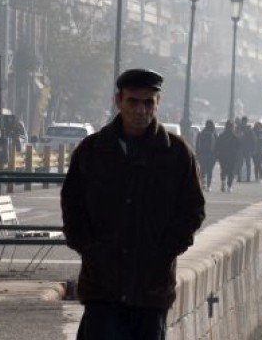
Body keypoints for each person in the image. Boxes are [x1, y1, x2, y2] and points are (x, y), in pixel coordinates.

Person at [61, 68, 206, 340]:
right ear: (119, 101)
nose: (141, 110)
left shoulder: (176, 154)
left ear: (157, 103)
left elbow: (192, 209)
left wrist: (166, 250)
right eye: (133, 101)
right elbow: (72, 204)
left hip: (152, 288)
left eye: (148, 102)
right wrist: (89, 247)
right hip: (102, 285)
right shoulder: (92, 151)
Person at [215, 119, 240, 192]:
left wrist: (217, 155)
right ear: (232, 127)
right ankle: (229, 186)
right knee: (231, 171)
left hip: (223, 156)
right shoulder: (235, 137)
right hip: (232, 156)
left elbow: (217, 146)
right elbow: (238, 147)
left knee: (223, 170)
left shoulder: (222, 136)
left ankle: (223, 183)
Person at [194, 120, 217, 191]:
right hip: (211, 155)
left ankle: (203, 183)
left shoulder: (201, 133)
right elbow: (217, 145)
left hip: (202, 154)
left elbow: (197, 145)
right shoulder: (214, 134)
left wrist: (197, 154)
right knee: (209, 171)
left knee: (203, 169)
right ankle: (208, 186)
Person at [237, 117, 255, 182]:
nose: (244, 122)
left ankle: (248, 178)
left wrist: (252, 149)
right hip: (241, 148)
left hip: (247, 149)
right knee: (240, 164)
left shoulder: (249, 129)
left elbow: (253, 140)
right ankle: (239, 178)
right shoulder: (239, 128)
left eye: (245, 121)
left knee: (247, 164)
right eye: (243, 121)